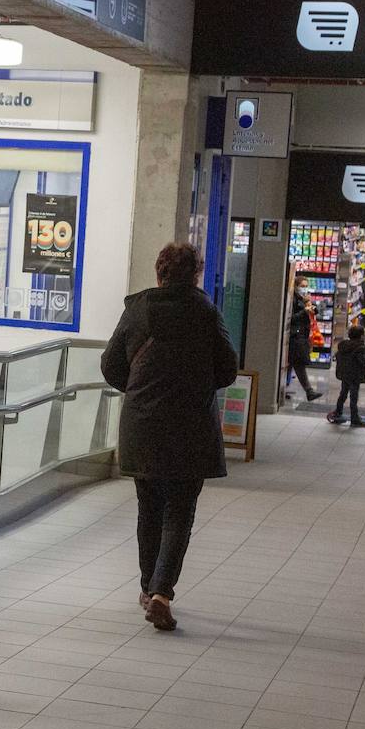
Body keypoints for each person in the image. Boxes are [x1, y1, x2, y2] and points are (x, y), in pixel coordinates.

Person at [101, 243, 238, 632]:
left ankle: (148, 588)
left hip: (143, 426)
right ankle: (161, 591)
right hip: (191, 426)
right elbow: (228, 369)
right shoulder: (206, 312)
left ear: (159, 272)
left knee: (149, 507)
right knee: (180, 511)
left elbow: (110, 365)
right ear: (195, 274)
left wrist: (143, 389)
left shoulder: (138, 309)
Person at [331, 325, 365, 428]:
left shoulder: (343, 345)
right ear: (361, 337)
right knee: (353, 397)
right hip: (354, 375)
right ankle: (354, 419)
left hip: (344, 374)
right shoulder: (360, 347)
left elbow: (338, 356)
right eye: (364, 334)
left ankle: (338, 413)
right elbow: (363, 360)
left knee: (343, 394)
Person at [287, 278, 323, 402]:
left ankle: (284, 388)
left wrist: (311, 305)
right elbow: (290, 318)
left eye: (306, 286)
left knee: (292, 363)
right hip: (296, 336)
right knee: (299, 363)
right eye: (302, 286)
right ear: (296, 286)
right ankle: (309, 391)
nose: (305, 288)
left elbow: (315, 312)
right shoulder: (292, 299)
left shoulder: (304, 298)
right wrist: (304, 311)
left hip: (303, 335)